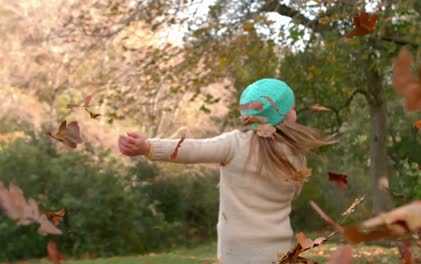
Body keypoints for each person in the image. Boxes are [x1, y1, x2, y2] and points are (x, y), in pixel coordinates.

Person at [118, 78, 334, 263]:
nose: (295, 112)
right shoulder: (297, 155)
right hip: (278, 251)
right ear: (284, 115)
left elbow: (193, 149)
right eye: (293, 108)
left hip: (235, 252)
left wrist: (148, 147)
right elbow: (294, 193)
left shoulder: (235, 144)